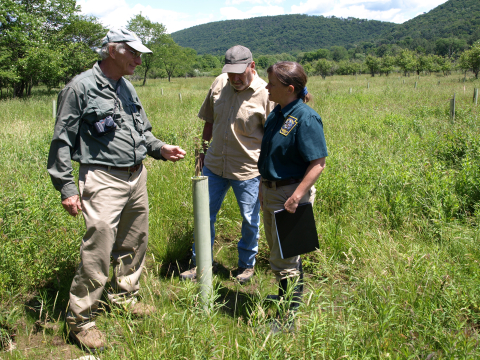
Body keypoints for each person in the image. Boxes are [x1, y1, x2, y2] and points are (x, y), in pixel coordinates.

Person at [47, 28, 186, 352]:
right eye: (133, 53)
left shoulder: (127, 87)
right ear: (113, 50)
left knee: (134, 241)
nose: (139, 59)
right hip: (102, 178)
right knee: (98, 249)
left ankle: (123, 297)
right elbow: (62, 140)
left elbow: (142, 131)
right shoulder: (80, 87)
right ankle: (81, 320)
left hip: (136, 176)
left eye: (140, 54)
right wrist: (67, 187)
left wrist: (159, 148)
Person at [180, 45, 274, 283]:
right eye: (230, 73)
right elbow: (209, 121)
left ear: (252, 66)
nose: (234, 79)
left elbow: (272, 138)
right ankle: (201, 263)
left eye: (239, 74)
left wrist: (267, 173)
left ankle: (246, 266)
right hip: (214, 164)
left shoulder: (266, 93)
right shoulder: (220, 83)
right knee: (203, 214)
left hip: (248, 170)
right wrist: (200, 153)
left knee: (250, 219)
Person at [258, 61, 328, 332]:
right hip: (272, 190)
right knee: (280, 253)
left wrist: (296, 196)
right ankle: (286, 299)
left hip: (290, 193)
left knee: (286, 257)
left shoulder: (306, 117)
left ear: (289, 88)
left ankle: (287, 319)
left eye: (272, 84)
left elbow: (318, 163)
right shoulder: (279, 112)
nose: (267, 87)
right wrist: (265, 189)